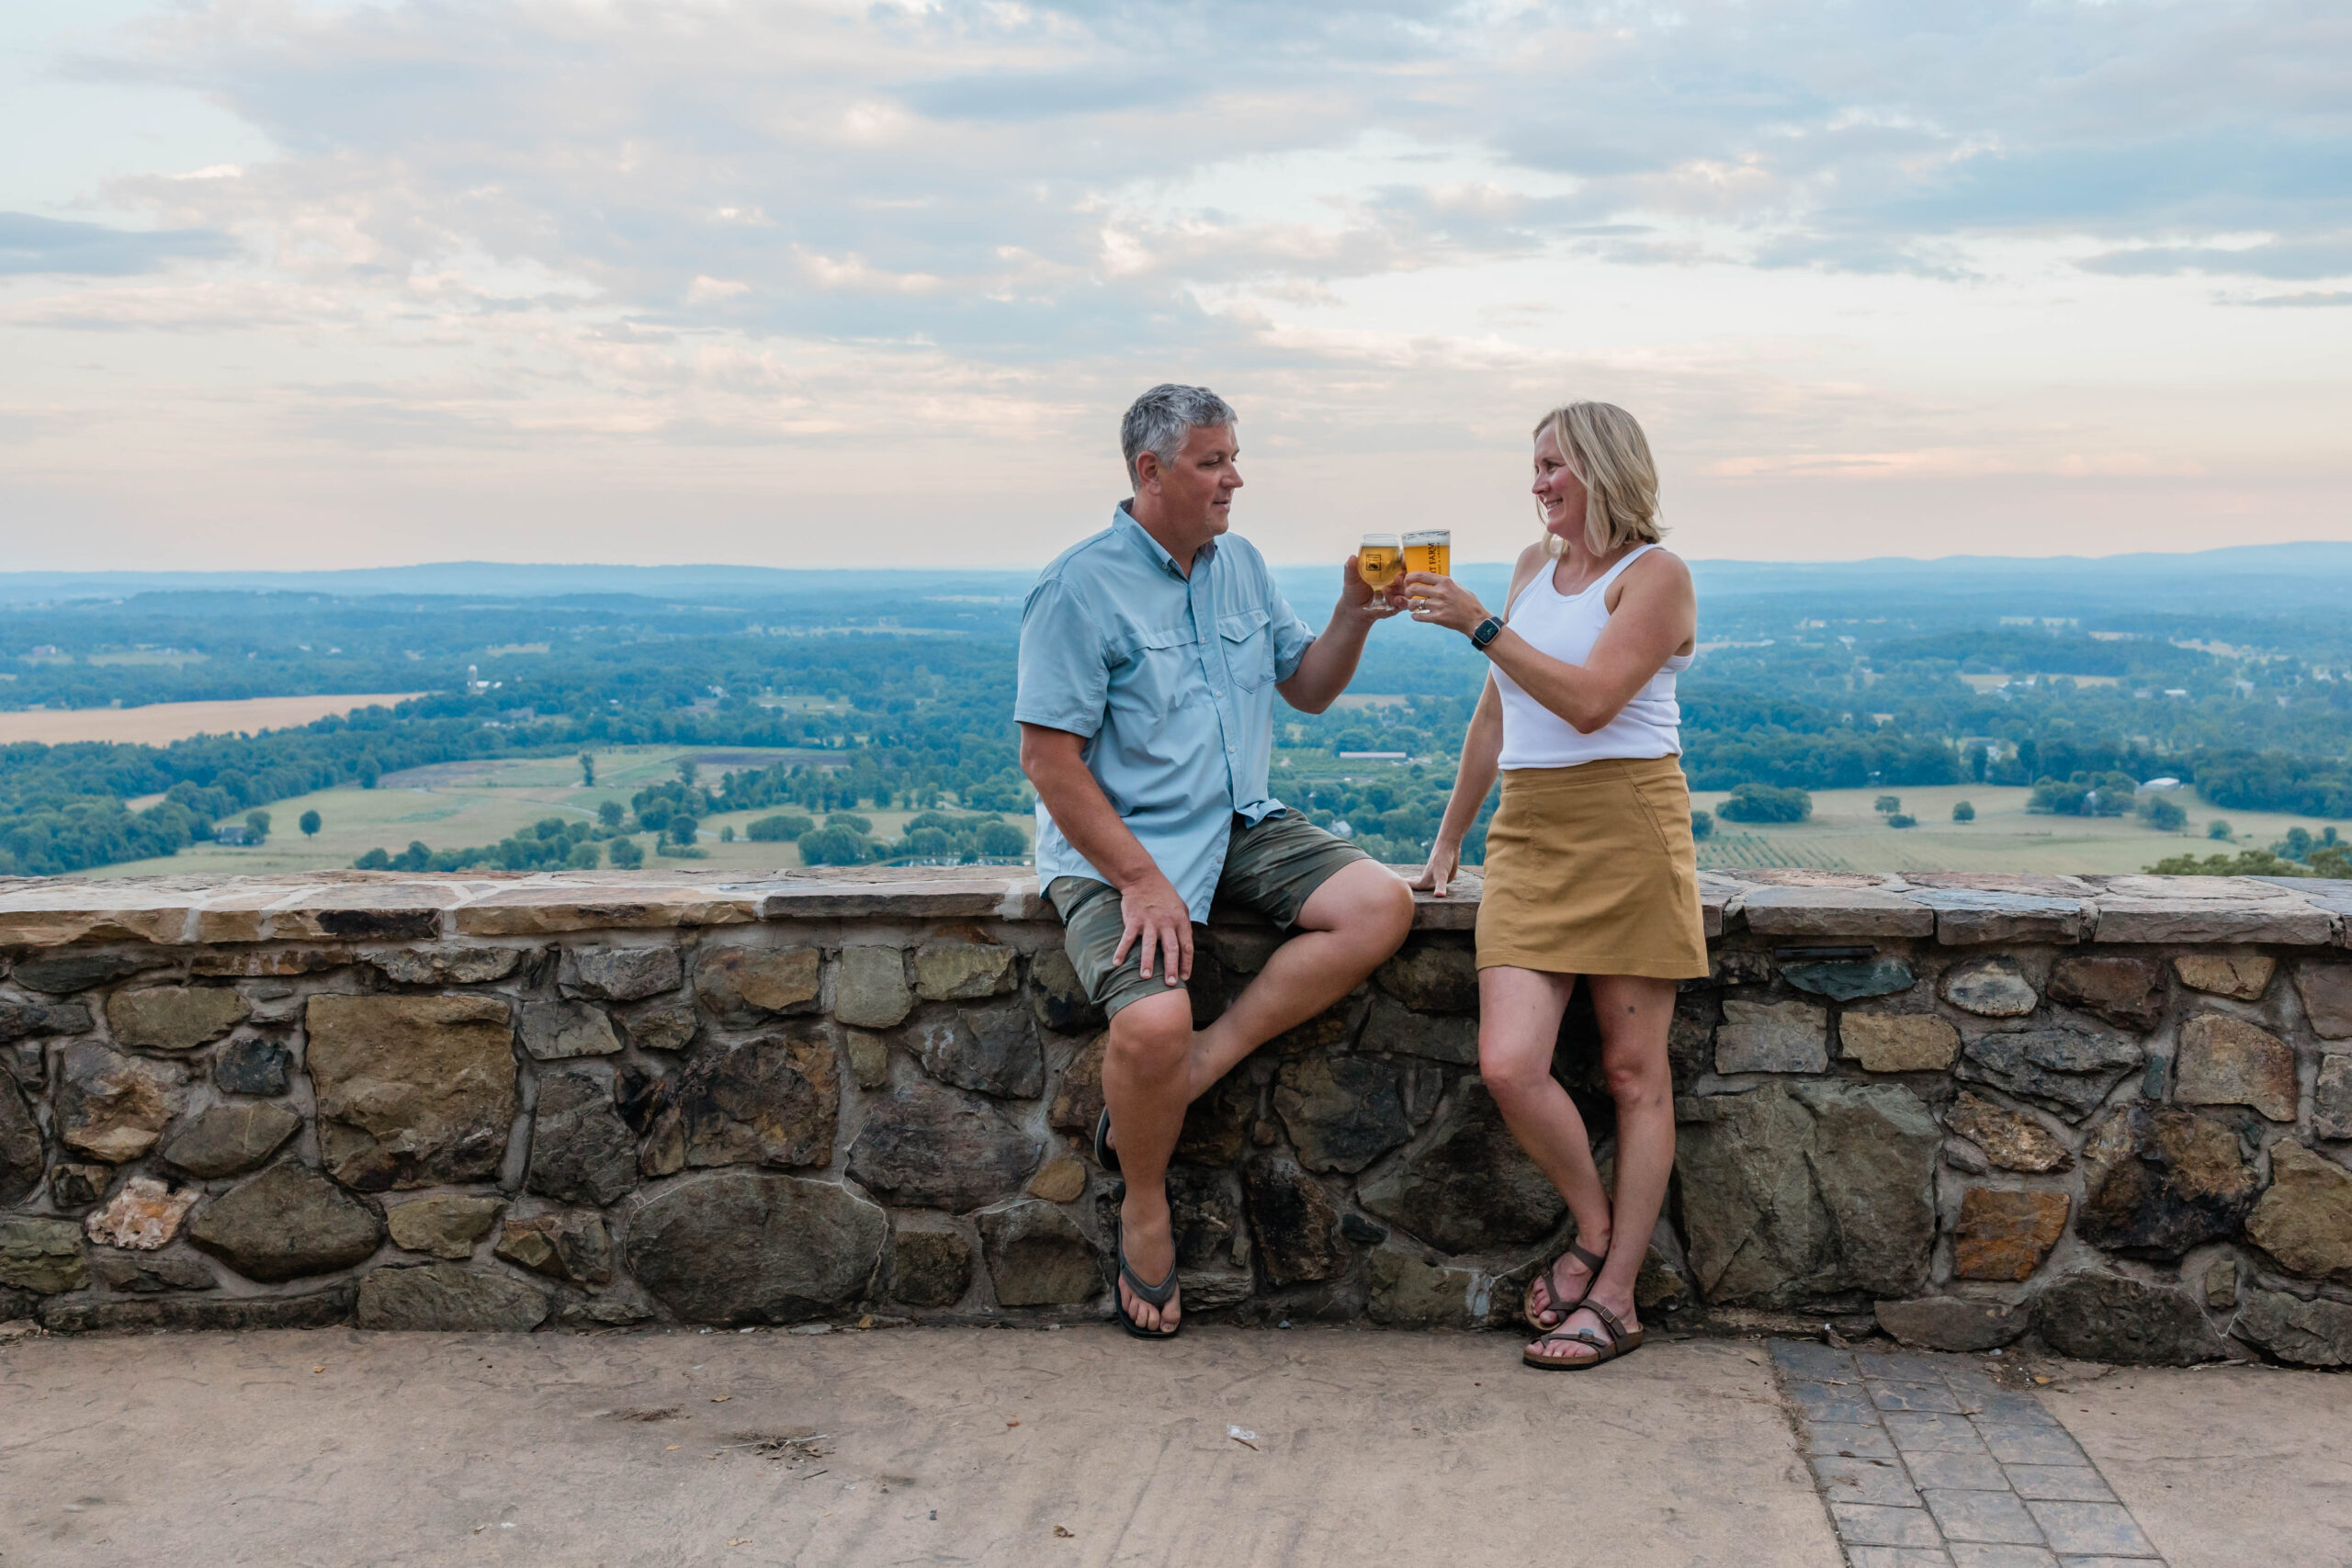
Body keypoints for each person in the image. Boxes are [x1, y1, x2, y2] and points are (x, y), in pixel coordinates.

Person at [1015, 383, 1417, 1339]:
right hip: (1122, 844)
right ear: (1149, 472)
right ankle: (1145, 1206)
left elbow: (1307, 689)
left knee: (1379, 906)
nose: (1233, 477)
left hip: (1238, 820)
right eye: (1211, 460)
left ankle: (1196, 1071)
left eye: (1233, 457)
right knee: (1149, 1024)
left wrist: (1352, 612)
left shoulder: (1240, 565)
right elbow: (1047, 760)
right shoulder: (1077, 586)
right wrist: (1142, 880)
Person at [1400, 400, 1703, 1371]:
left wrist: (1478, 623)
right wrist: (1450, 840)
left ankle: (1615, 1297)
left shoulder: (1654, 577)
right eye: (1533, 467)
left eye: (1554, 468)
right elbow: (1497, 718)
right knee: (1508, 1062)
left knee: (1630, 1073)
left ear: (1604, 471)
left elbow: (1585, 703)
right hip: (1527, 833)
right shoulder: (1535, 569)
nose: (1537, 485)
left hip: (1626, 826)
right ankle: (1595, 1229)